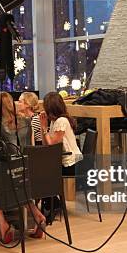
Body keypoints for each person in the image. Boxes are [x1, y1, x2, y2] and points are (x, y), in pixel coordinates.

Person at [0, 92, 47, 243]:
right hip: (26, 173)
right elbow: (31, 148)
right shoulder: (26, 121)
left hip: (8, 174)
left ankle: (3, 224)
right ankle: (38, 216)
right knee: (20, 188)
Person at [39, 92, 83, 224]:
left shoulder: (61, 121)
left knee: (42, 173)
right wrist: (44, 128)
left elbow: (52, 144)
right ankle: (52, 202)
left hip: (72, 163)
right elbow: (46, 143)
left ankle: (53, 203)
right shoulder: (54, 122)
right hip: (64, 161)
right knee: (40, 170)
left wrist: (43, 127)